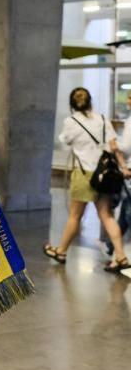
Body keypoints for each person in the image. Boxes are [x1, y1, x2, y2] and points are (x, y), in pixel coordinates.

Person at [45, 87, 131, 272]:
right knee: (107, 216)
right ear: (90, 101)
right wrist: (123, 167)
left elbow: (64, 140)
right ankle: (121, 256)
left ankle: (61, 252)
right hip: (104, 174)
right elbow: (114, 146)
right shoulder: (102, 119)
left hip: (84, 174)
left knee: (75, 215)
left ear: (71, 104)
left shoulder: (71, 121)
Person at [103, 91, 131, 258]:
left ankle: (114, 246)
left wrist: (114, 145)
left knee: (128, 210)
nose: (128, 101)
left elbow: (126, 146)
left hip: (128, 170)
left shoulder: (130, 122)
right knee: (126, 209)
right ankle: (112, 244)